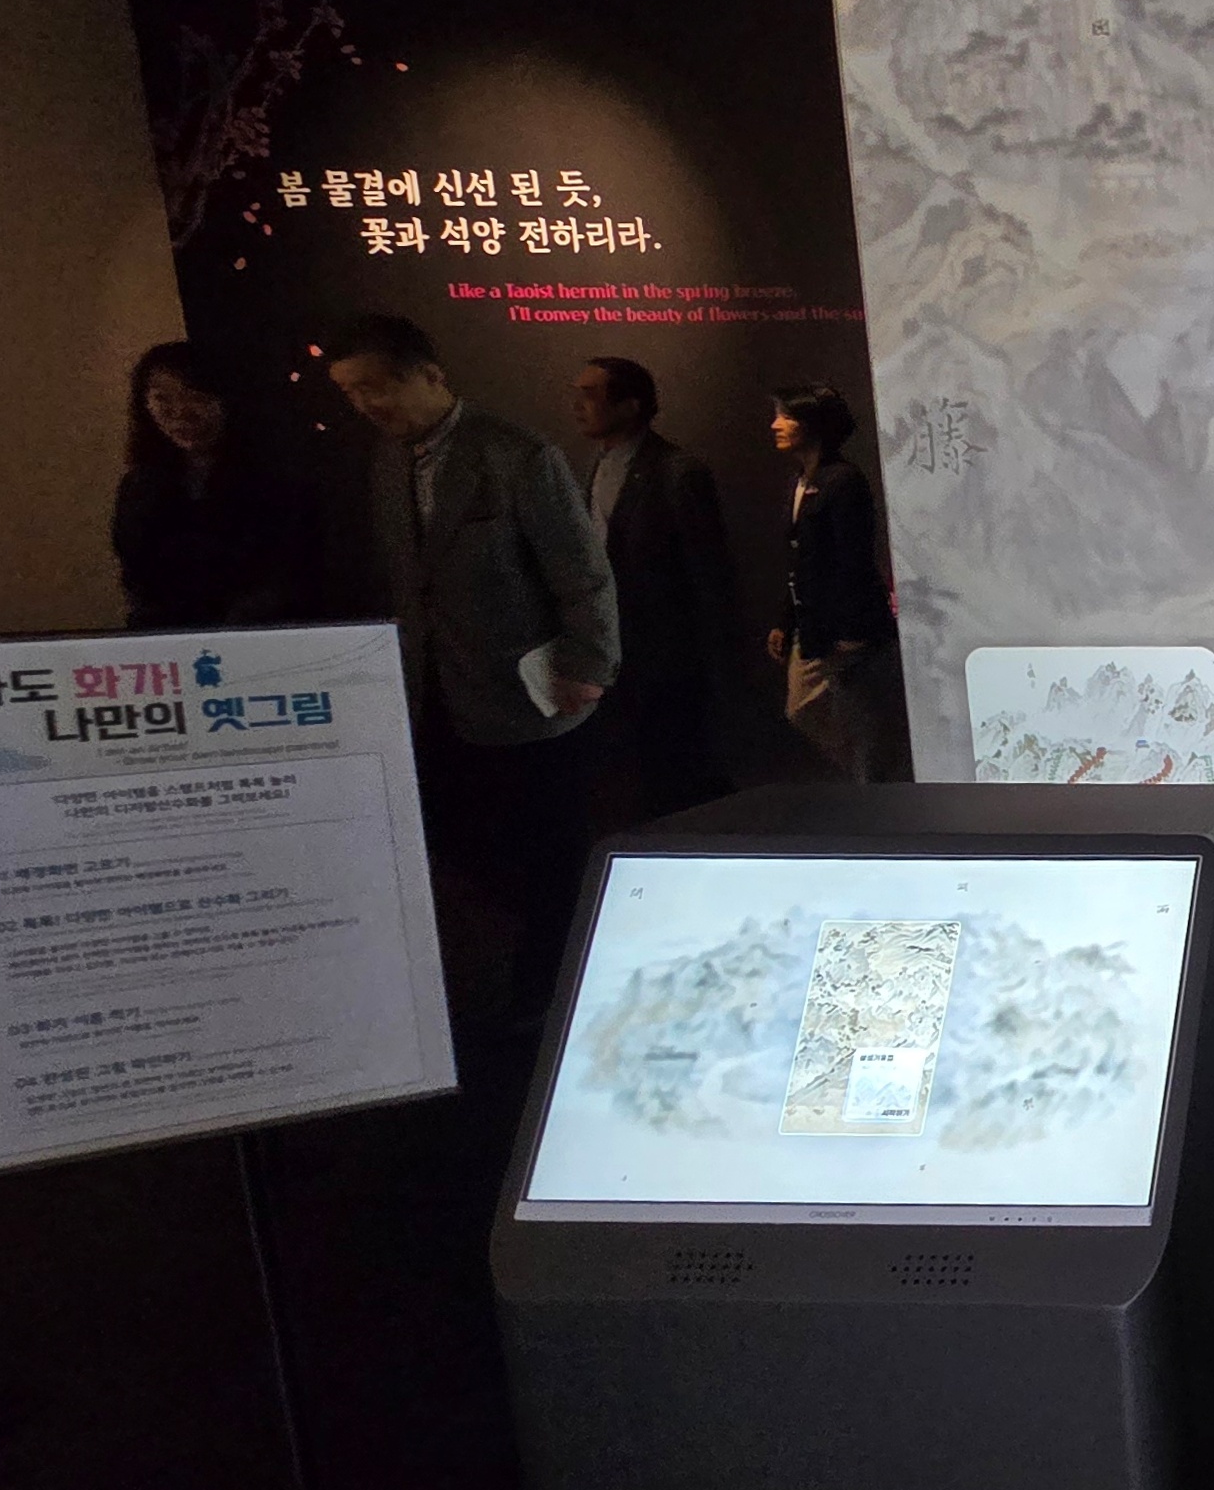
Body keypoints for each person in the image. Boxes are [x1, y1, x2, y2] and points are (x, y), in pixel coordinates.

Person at [327, 313, 618, 1023]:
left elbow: (581, 571)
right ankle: (493, 992)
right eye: (350, 392)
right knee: (467, 851)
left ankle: (553, 1000)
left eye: (376, 386)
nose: (366, 404)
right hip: (435, 693)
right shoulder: (388, 462)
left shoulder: (515, 454)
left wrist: (589, 662)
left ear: (430, 375)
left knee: (546, 855)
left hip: (528, 693)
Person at [567, 355, 737, 820]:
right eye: (577, 393)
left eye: (590, 394)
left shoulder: (678, 471)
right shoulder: (593, 467)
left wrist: (712, 660)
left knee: (674, 776)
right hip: (614, 654)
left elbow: (708, 573)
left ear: (630, 405)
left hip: (666, 657)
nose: (578, 405)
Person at [110, 342, 318, 628]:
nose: (180, 412)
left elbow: (288, 574)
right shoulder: (141, 485)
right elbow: (137, 577)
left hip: (263, 632)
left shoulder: (277, 478)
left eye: (195, 396)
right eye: (162, 399)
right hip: (169, 636)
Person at [766, 385, 907, 781]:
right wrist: (786, 621)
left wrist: (849, 630)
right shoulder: (800, 481)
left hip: (848, 631)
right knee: (807, 710)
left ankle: (878, 790)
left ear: (812, 424)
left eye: (786, 416)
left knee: (865, 722)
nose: (775, 425)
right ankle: (870, 783)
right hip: (815, 626)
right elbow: (799, 562)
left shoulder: (843, 481)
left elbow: (852, 559)